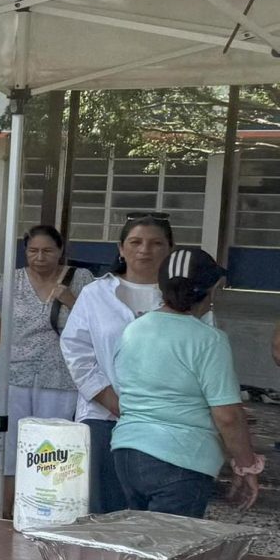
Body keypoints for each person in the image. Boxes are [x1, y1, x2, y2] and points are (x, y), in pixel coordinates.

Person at [98, 247, 264, 560]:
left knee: (143, 549)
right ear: (206, 292)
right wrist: (246, 464)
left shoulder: (137, 328)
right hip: (180, 459)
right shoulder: (208, 340)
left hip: (129, 449)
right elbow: (227, 414)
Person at [60, 213, 175, 516]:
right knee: (106, 509)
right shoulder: (95, 294)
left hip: (166, 420)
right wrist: (112, 401)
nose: (144, 250)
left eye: (155, 243)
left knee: (155, 512)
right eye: (135, 242)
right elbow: (76, 350)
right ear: (121, 248)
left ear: (170, 250)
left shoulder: (183, 297)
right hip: (103, 416)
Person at [0, 224, 89, 470]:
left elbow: (95, 324)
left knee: (51, 452)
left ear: (60, 250)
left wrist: (71, 300)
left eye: (47, 251)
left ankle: (43, 494)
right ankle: (7, 495)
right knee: (10, 448)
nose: (39, 257)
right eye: (33, 251)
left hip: (60, 377)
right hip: (12, 374)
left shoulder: (81, 279)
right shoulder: (12, 279)